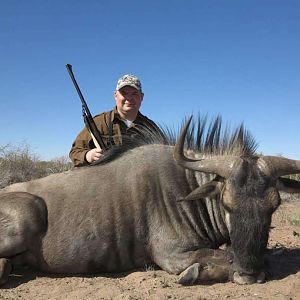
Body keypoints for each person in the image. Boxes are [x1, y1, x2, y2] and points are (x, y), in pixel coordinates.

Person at [69, 74, 163, 167]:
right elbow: (75, 152)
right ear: (115, 96)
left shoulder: (151, 127)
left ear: (141, 97)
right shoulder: (100, 122)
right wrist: (88, 156)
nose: (129, 98)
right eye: (124, 93)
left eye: (134, 93)